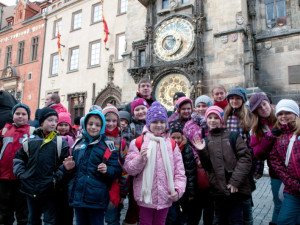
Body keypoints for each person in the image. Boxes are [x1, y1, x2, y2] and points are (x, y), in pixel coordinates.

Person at [124, 102, 186, 225]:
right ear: (149, 123)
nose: (159, 125)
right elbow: (129, 169)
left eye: (162, 122)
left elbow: (180, 172)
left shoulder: (172, 144)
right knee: (145, 222)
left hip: (166, 195)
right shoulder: (138, 142)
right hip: (146, 196)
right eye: (155, 122)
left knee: (161, 222)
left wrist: (178, 190)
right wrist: (140, 159)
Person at [193, 106, 252, 225]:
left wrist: (235, 181)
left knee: (236, 219)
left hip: (235, 187)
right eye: (210, 118)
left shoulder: (233, 136)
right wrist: (201, 151)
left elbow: (245, 158)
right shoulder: (207, 140)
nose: (212, 120)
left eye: (216, 118)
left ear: (221, 120)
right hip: (218, 189)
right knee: (220, 219)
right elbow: (208, 166)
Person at [63, 110, 122, 225]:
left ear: (102, 126)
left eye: (97, 125)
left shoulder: (108, 145)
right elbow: (73, 170)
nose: (93, 127)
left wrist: (107, 170)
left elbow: (117, 170)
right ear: (85, 125)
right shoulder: (78, 143)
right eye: (90, 124)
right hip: (78, 196)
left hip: (97, 198)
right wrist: (68, 168)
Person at [13, 107, 70, 225]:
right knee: (32, 218)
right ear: (42, 122)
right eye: (50, 120)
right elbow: (19, 158)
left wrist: (56, 177)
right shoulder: (30, 141)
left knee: (49, 220)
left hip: (50, 188)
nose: (54, 123)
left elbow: (65, 164)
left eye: (55, 120)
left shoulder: (60, 142)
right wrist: (21, 174)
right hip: (30, 187)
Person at [224, 87, 263, 225]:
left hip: (246, 161)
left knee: (245, 196)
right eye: (232, 98)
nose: (234, 101)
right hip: (229, 160)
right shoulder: (225, 115)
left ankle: (248, 221)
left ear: (243, 99)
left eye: (238, 98)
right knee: (232, 194)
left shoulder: (250, 116)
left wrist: (258, 166)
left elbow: (256, 143)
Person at [249, 93, 279, 225]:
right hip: (276, 171)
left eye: (264, 104)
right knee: (278, 203)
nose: (264, 108)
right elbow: (258, 153)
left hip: (295, 169)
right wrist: (269, 137)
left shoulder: (284, 115)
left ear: (269, 103)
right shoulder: (256, 129)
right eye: (259, 108)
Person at [0, 103, 32, 225]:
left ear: (28, 117)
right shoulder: (4, 130)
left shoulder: (31, 131)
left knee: (22, 209)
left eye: (23, 114)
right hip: (4, 176)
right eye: (17, 113)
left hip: (22, 177)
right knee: (4, 209)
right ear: (12, 115)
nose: (20, 116)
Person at [269, 99, 300, 225]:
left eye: (287, 112)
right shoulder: (278, 137)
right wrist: (292, 183)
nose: (283, 116)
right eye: (280, 114)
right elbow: (277, 164)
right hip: (292, 189)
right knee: (284, 220)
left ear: (295, 114)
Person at [122, 98, 149, 225]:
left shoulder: (153, 124)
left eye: (143, 108)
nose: (140, 111)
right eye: (137, 110)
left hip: (151, 170)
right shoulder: (130, 127)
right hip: (136, 171)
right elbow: (127, 149)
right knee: (134, 203)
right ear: (133, 112)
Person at [166, 121, 197, 225]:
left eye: (178, 137)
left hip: (184, 189)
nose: (176, 140)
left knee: (182, 215)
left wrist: (191, 192)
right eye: (173, 137)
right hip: (169, 189)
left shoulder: (187, 149)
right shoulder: (166, 149)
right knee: (171, 216)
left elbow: (191, 173)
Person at [102, 104, 128, 225]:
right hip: (96, 185)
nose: (111, 124)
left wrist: (123, 191)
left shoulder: (121, 142)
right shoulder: (96, 138)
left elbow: (125, 168)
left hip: (114, 187)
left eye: (114, 121)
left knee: (112, 219)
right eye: (107, 120)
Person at [55, 112, 75, 225]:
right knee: (57, 210)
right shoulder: (53, 139)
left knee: (68, 210)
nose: (63, 127)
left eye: (65, 125)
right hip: (58, 176)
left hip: (69, 178)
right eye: (60, 124)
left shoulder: (73, 139)